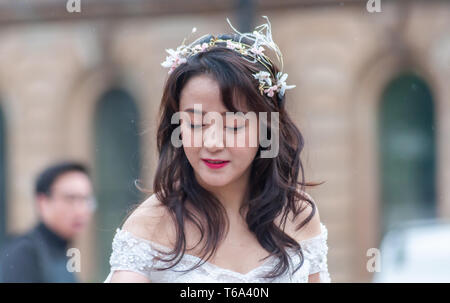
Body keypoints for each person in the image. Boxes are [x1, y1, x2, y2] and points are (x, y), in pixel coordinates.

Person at [105, 16, 331, 283]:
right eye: (196, 123)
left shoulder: (298, 213)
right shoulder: (152, 224)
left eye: (234, 126)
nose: (212, 143)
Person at [0, 161, 95, 282]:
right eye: (70, 199)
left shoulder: (67, 251)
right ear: (43, 202)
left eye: (85, 199)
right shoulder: (24, 253)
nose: (80, 210)